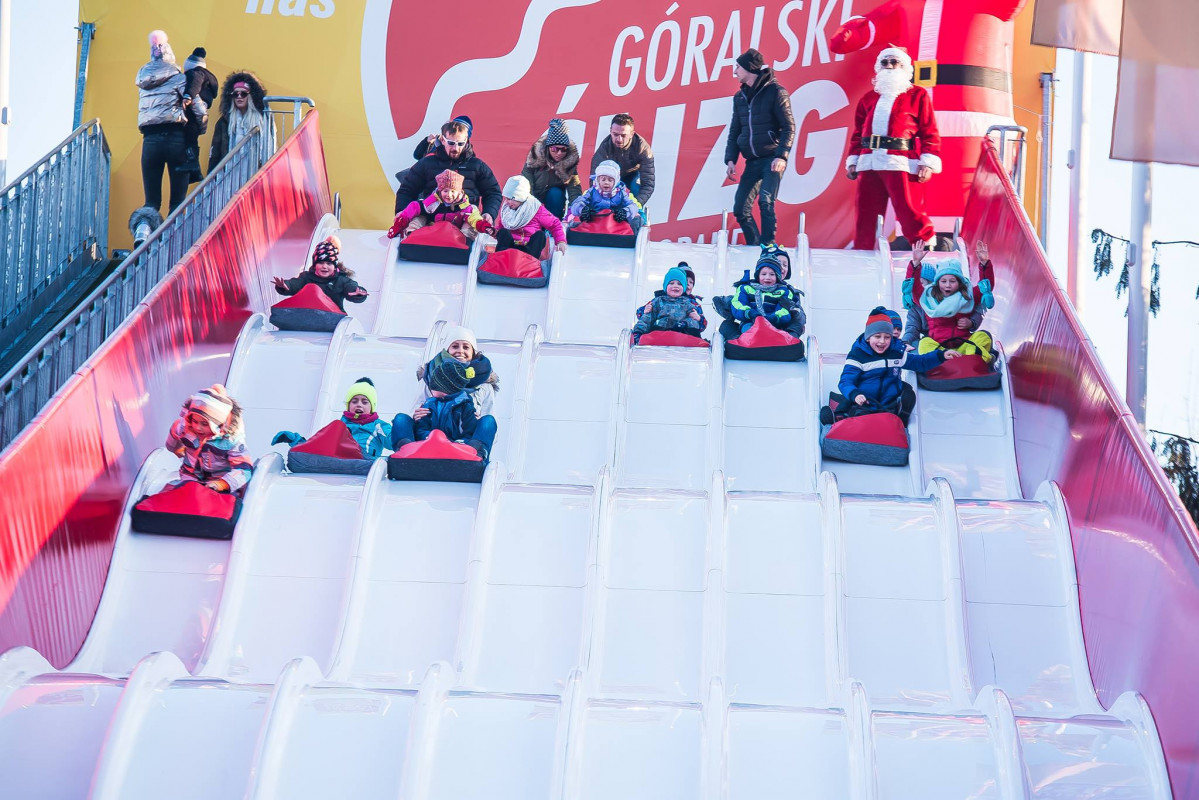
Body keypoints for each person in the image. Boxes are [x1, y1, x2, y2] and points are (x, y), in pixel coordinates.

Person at [845, 46, 942, 251]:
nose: (889, 66)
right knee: (865, 212)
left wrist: (927, 162)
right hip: (869, 161)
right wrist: (853, 160)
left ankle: (924, 247)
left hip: (901, 161)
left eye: (894, 62)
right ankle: (863, 251)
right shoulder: (868, 98)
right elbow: (858, 133)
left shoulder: (918, 95)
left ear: (904, 67)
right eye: (885, 62)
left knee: (909, 209)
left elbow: (929, 132)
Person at [820, 307, 958, 427]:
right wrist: (855, 394)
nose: (882, 341)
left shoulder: (896, 353)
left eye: (887, 337)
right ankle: (839, 418)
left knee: (905, 392)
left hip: (888, 401)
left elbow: (919, 363)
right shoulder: (858, 355)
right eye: (877, 336)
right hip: (865, 400)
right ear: (868, 338)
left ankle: (901, 415)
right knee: (861, 416)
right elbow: (845, 381)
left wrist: (941, 355)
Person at [724, 49, 795, 247]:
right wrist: (730, 159)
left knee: (766, 201)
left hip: (772, 158)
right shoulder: (739, 98)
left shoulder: (776, 92)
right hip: (752, 161)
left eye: (738, 67)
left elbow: (789, 127)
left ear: (749, 68)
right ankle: (755, 247)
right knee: (740, 209)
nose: (735, 71)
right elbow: (735, 130)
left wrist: (781, 156)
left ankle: (769, 246)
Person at [392, 349, 498, 459]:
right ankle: (405, 451)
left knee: (488, 421)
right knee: (401, 418)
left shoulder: (465, 405)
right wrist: (429, 438)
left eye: (434, 384)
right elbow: (421, 428)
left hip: (459, 449)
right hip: (429, 446)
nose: (431, 387)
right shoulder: (429, 404)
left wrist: (456, 443)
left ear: (446, 388)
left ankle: (477, 456)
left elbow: (469, 432)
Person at [394, 119, 503, 224]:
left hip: (465, 219)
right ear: (442, 140)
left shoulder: (476, 165)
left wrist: (489, 213)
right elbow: (407, 190)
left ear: (466, 141)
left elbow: (493, 192)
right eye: (451, 143)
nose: (455, 148)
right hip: (430, 219)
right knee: (412, 227)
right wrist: (401, 211)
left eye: (460, 144)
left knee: (472, 229)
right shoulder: (427, 163)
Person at [902, 241, 995, 361]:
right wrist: (915, 264)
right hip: (940, 348)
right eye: (943, 281)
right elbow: (913, 288)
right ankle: (942, 362)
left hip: (964, 345)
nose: (947, 285)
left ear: (959, 282)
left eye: (952, 281)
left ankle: (974, 359)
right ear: (937, 283)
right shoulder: (929, 298)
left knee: (983, 336)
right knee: (924, 343)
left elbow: (986, 287)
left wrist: (984, 264)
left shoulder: (967, 296)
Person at [273, 377, 393, 458]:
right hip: (341, 460)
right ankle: (298, 443)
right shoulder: (340, 426)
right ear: (348, 405)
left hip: (365, 461)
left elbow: (392, 442)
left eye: (364, 402)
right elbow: (319, 444)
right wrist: (295, 441)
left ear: (372, 407)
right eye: (354, 401)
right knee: (334, 430)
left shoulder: (378, 426)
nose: (359, 404)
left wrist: (400, 431)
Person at [137, 30, 189, 215]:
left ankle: (144, 229)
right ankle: (176, 233)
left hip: (150, 141)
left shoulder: (143, 81)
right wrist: (200, 126)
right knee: (177, 202)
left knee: (151, 202)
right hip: (176, 139)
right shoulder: (179, 78)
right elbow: (198, 108)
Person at [165, 384, 253, 493]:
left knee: (215, 499)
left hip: (219, 481)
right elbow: (174, 433)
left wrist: (223, 483)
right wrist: (176, 448)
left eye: (205, 424)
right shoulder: (186, 427)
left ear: (218, 424)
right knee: (185, 494)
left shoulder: (230, 441)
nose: (198, 427)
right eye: (195, 421)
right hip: (190, 476)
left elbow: (245, 469)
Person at [722, 253, 805, 341]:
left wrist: (775, 317)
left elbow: (785, 310)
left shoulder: (783, 291)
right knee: (731, 326)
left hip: (774, 325)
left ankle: (780, 342)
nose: (767, 277)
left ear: (777, 276)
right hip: (751, 322)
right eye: (764, 274)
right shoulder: (746, 288)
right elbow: (738, 303)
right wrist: (749, 313)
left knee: (786, 329)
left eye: (772, 274)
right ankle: (743, 341)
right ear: (758, 275)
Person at [272, 236, 369, 311]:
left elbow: (350, 287)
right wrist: (286, 286)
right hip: (310, 314)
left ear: (335, 267)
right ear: (315, 265)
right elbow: (295, 284)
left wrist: (358, 294)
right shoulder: (307, 277)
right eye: (321, 263)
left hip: (333, 316)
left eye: (329, 264)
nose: (325, 266)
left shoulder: (340, 280)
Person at [388, 169, 489, 240]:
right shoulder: (433, 202)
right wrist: (400, 222)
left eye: (453, 191)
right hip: (433, 231)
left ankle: (465, 241)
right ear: (440, 191)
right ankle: (412, 236)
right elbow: (415, 207)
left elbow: (474, 217)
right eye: (445, 191)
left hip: (456, 235)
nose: (449, 195)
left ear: (459, 192)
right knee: (419, 216)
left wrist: (483, 225)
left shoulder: (464, 206)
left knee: (470, 221)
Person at [208, 71, 276, 171]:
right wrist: (211, 175)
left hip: (256, 172)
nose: (239, 97)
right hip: (229, 174)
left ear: (250, 96)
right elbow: (215, 153)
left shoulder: (263, 120)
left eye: (243, 94)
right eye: (236, 94)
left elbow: (271, 147)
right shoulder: (224, 122)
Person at [590, 113, 655, 208]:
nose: (619, 139)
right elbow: (595, 181)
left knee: (636, 186)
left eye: (623, 135)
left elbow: (648, 184)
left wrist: (634, 207)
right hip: (612, 176)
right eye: (615, 134)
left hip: (633, 174)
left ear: (632, 134)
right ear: (610, 131)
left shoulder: (643, 149)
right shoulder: (604, 149)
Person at [522, 118, 582, 219]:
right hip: (534, 203)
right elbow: (525, 184)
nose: (559, 153)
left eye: (563, 149)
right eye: (554, 149)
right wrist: (533, 206)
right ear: (548, 147)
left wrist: (576, 208)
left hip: (554, 206)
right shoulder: (534, 159)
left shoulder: (569, 164)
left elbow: (574, 188)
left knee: (555, 193)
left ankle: (554, 224)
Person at [494, 175, 567, 257]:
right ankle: (500, 257)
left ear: (520, 197)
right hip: (509, 247)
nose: (506, 202)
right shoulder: (507, 210)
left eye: (510, 199)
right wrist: (493, 231)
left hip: (529, 248)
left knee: (540, 235)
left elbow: (554, 224)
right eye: (505, 198)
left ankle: (530, 259)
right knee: (503, 232)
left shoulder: (536, 209)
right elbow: (500, 227)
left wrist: (560, 241)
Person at [631, 267, 705, 344]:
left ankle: (696, 341)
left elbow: (697, 322)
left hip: (681, 334)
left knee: (692, 319)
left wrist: (692, 321)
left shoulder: (688, 303)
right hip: (660, 332)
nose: (675, 286)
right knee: (648, 316)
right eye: (671, 283)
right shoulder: (658, 301)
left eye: (679, 284)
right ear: (665, 287)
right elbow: (646, 318)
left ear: (684, 288)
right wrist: (638, 332)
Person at [396, 114, 474, 187]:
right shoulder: (437, 142)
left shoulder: (468, 155)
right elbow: (417, 155)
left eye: (461, 131)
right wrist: (426, 142)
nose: (456, 132)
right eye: (454, 129)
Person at [567, 160, 643, 234]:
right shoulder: (591, 192)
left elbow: (633, 206)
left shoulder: (621, 193)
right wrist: (583, 210)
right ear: (598, 180)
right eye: (603, 179)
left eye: (610, 180)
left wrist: (625, 212)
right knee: (575, 220)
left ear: (616, 181)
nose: (606, 182)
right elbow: (577, 204)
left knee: (636, 218)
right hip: (594, 223)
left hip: (615, 224)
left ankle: (633, 236)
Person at [179, 47, 218, 183]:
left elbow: (194, 83)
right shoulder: (208, 78)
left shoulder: (196, 73)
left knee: (187, 140)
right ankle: (195, 173)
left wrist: (188, 95)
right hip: (199, 114)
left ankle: (193, 168)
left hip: (192, 114)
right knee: (192, 139)